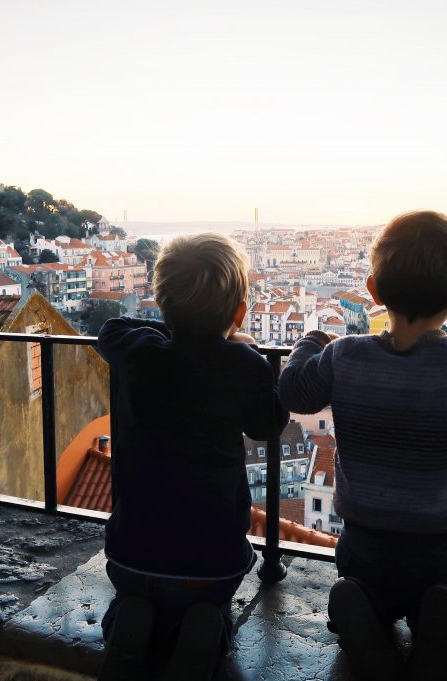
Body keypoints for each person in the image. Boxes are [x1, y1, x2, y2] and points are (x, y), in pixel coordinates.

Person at [278, 211, 447, 681]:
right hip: (438, 537)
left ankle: (360, 608)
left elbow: (295, 392)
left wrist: (311, 341)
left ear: (373, 289)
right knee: (444, 598)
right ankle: (440, 620)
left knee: (367, 591)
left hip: (364, 531)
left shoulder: (344, 354)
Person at [96, 232, 287, 681]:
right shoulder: (242, 364)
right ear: (239, 312)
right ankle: (207, 627)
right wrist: (234, 349)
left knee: (133, 601)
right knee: (208, 606)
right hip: (212, 565)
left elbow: (112, 330)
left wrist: (181, 328)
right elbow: (269, 425)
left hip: (131, 556)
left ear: (163, 304)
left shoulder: (139, 353)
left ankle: (129, 620)